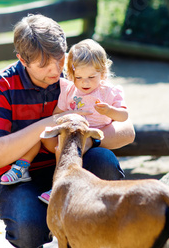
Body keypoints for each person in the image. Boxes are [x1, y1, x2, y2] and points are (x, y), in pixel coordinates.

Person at [0, 14, 135, 248]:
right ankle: (30, 242)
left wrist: (84, 140)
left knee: (104, 161)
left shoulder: (78, 75)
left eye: (60, 59)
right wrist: (51, 122)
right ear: (22, 58)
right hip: (21, 176)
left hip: (72, 169)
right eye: (43, 64)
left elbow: (127, 132)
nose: (56, 70)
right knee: (28, 228)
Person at [38, 38, 129, 203]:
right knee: (62, 149)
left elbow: (124, 117)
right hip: (73, 136)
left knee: (100, 161)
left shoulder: (109, 92)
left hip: (95, 141)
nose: (85, 82)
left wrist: (109, 110)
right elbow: (57, 113)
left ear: (103, 73)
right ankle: (57, 187)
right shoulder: (69, 90)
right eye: (78, 77)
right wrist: (67, 116)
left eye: (91, 77)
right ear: (71, 74)